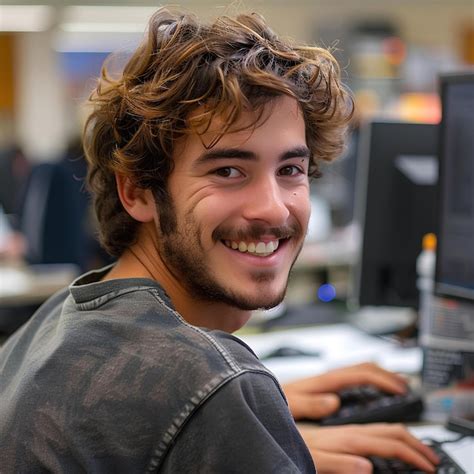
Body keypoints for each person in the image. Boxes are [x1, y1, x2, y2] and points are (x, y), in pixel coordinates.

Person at [0, 7, 439, 473]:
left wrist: (255, 416)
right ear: (137, 192)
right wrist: (230, 404)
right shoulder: (205, 382)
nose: (272, 208)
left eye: (290, 169)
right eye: (228, 171)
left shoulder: (59, 320)